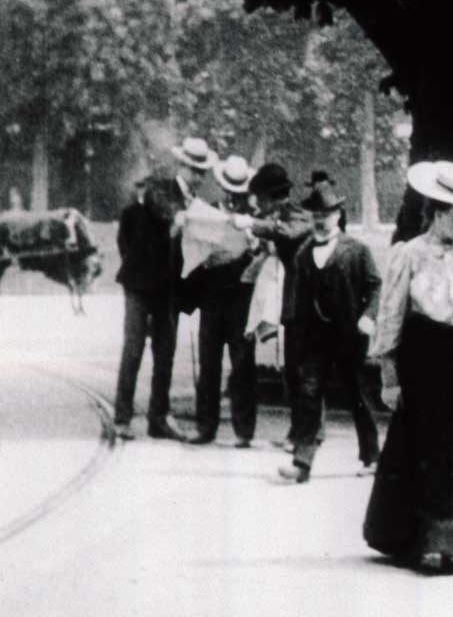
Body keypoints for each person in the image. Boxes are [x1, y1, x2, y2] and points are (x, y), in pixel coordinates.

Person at [363, 161, 453, 575]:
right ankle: (416, 539)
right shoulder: (410, 253)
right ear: (438, 211)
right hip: (422, 353)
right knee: (421, 445)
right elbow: (390, 315)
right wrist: (389, 377)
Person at [112, 137, 216, 441]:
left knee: (166, 353)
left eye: (202, 172)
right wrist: (178, 216)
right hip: (140, 283)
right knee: (133, 349)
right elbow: (160, 206)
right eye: (194, 170)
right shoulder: (161, 187)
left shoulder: (197, 204)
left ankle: (158, 419)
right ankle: (122, 418)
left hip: (169, 288)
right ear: (181, 165)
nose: (198, 177)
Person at [277, 179, 380, 483]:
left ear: (338, 214)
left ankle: (372, 456)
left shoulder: (357, 250)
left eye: (327, 214)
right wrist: (294, 332)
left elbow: (375, 286)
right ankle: (302, 463)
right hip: (315, 339)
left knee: (358, 395)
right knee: (309, 395)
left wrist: (369, 317)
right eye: (316, 215)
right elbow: (296, 297)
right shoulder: (303, 253)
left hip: (349, 335)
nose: (321, 220)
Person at [232, 163, 312, 451]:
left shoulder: (299, 215)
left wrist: (253, 224)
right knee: (293, 368)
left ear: (270, 198)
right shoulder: (271, 217)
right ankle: (299, 431)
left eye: (261, 201)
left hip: (303, 300)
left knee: (301, 368)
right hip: (284, 297)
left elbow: (288, 233)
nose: (259, 207)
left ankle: (308, 432)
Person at [187, 156, 259, 446]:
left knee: (243, 362)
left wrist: (252, 238)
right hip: (213, 291)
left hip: (241, 292)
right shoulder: (209, 213)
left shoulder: (252, 218)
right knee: (208, 361)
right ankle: (206, 427)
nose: (233, 195)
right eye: (229, 189)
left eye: (238, 190)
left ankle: (244, 430)